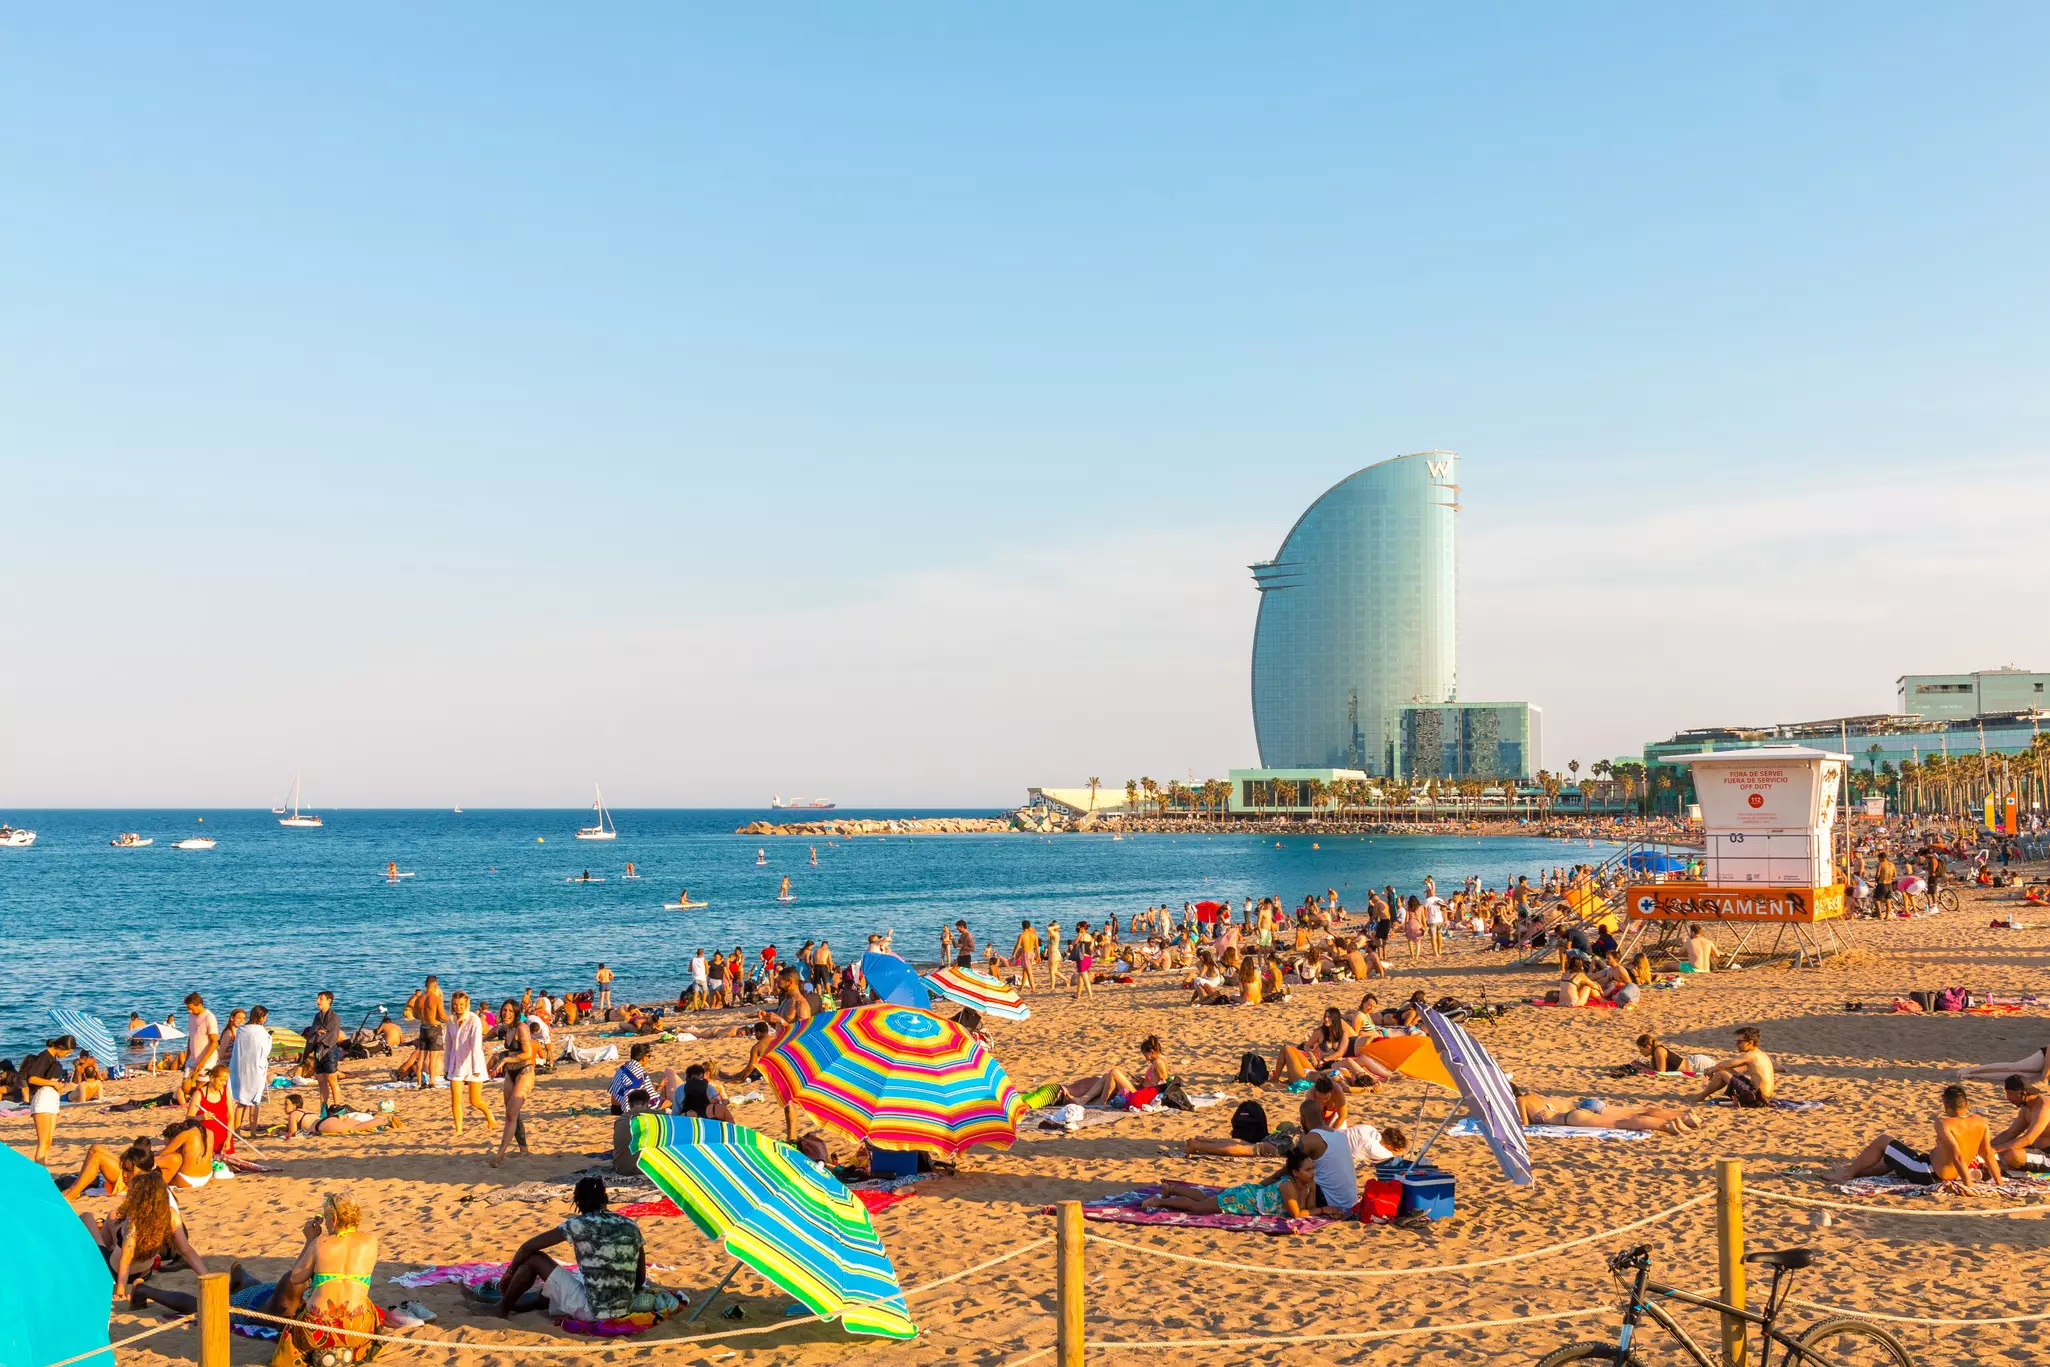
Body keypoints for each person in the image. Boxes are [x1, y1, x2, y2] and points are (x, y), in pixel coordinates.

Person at [476, 1175, 648, 1323]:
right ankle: (522, 1303)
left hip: (593, 1311)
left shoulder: (579, 1224)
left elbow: (528, 1246)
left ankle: (502, 1307)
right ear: (605, 1199)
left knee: (535, 1259)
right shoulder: (631, 1225)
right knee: (573, 1278)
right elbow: (640, 1279)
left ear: (578, 1202)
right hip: (624, 1308)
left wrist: (510, 1272)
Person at [270, 1192, 383, 1366]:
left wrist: (310, 1240)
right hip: (357, 1329)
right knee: (369, 1305)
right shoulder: (371, 1242)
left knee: (296, 1322)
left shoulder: (320, 1243)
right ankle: (349, 1350)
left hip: (317, 1329)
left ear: (335, 1218)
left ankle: (317, 1353)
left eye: (326, 1217)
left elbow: (295, 1278)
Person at [1830, 1083, 2002, 1188]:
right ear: (1967, 1104)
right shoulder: (1981, 1121)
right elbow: (1987, 1153)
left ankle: (1848, 1173)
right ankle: (1854, 1171)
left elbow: (1957, 1156)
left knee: (1884, 1141)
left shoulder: (1944, 1123)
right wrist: (1999, 1183)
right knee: (1889, 1161)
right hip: (1949, 1173)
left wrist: (1969, 1187)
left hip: (1929, 1173)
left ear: (1946, 1104)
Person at [89, 1166, 209, 1299]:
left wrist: (120, 1291)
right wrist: (206, 1275)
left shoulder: (134, 1220)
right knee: (114, 1224)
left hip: (116, 1273)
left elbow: (126, 1258)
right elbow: (186, 1250)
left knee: (88, 1217)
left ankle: (105, 1248)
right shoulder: (170, 1215)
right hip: (144, 1274)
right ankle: (110, 1246)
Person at [1140, 1146, 1343, 1221]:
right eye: (1308, 1170)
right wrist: (1325, 1210)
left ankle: (1172, 1189)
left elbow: (1309, 1209)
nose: (1312, 1173)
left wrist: (1320, 1204)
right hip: (1243, 1199)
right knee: (1198, 1207)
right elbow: (1297, 1214)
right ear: (1296, 1172)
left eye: (1312, 1169)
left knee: (1208, 1198)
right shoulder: (1288, 1185)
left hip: (1249, 1194)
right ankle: (1159, 1202)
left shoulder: (1308, 1184)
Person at [491, 1005, 539, 1166]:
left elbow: (527, 1053)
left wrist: (504, 1060)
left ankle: (500, 1153)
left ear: (516, 1013)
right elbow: (488, 1035)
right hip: (510, 1074)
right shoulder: (506, 1028)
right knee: (512, 1114)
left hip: (524, 1072)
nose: (506, 1013)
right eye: (504, 1010)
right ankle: (523, 1149)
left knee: (511, 1115)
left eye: (510, 1011)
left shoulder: (521, 1028)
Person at [445, 990, 495, 1139]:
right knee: (455, 1098)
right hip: (456, 1064)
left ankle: (488, 1114)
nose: (457, 1007)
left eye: (460, 1004)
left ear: (466, 1004)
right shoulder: (451, 1020)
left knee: (474, 1101)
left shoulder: (474, 1020)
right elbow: (448, 1045)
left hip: (474, 1063)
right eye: (455, 1005)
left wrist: (475, 1069)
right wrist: (446, 1067)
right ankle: (458, 1129)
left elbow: (476, 1046)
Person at [1694, 1027, 1775, 1106]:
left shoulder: (1750, 1055)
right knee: (1723, 1070)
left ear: (1750, 1043)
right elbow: (1734, 1068)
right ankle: (1703, 1095)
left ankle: (1700, 1097)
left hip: (1757, 1097)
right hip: (1765, 1097)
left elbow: (1722, 1065)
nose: (1736, 1044)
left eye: (1739, 1042)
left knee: (1721, 1072)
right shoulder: (1761, 1054)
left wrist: (1711, 1070)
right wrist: (1715, 1070)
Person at [22, 1033, 70, 1164]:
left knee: (48, 1141)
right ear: (60, 1047)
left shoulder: (53, 1059)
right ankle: (40, 1174)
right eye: (67, 1052)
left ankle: (44, 1169)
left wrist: (57, 1085)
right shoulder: (44, 1056)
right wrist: (53, 1083)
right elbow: (32, 1078)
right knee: (43, 1142)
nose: (68, 1055)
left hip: (51, 1099)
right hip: (43, 1099)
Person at [1989, 1075, 2050, 1171]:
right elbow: (2010, 1133)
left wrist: (1994, 1150)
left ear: (2023, 1094)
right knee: (2002, 1149)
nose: (2007, 1098)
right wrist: (1987, 1147)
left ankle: (2010, 1167)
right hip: (2037, 1151)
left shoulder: (2044, 1108)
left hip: (2048, 1155)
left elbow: (2028, 1139)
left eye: (2010, 1094)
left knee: (2012, 1155)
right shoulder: (2027, 1108)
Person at [277, 1093, 405, 1137]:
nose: (284, 1107)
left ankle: (385, 1121)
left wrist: (280, 1132)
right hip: (332, 1118)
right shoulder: (305, 1111)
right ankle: (384, 1121)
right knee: (360, 1125)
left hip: (323, 1125)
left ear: (295, 1106)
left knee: (355, 1129)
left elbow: (293, 1134)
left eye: (286, 1104)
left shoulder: (293, 1115)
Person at [230, 1005, 272, 1133]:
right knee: (255, 1100)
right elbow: (265, 1051)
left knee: (241, 1100)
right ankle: (253, 1132)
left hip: (240, 1067)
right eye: (265, 1017)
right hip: (256, 1068)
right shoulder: (261, 1031)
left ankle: (237, 1131)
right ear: (261, 1017)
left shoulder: (241, 1029)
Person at [307, 990, 347, 1114]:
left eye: (321, 999)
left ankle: (337, 1107)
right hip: (318, 1051)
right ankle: (323, 1109)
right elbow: (312, 1033)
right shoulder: (317, 1016)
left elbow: (332, 1036)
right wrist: (317, 1032)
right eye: (318, 998)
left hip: (329, 1051)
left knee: (332, 1080)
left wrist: (318, 1034)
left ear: (328, 1001)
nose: (317, 1001)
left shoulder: (334, 1017)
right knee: (321, 1081)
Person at [186, 1063, 238, 1156]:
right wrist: (201, 1117)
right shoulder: (199, 1094)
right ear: (212, 1078)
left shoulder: (225, 1091)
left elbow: (230, 1116)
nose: (224, 1083)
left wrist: (229, 1138)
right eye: (221, 1080)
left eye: (225, 1081)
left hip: (223, 1137)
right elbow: (188, 1119)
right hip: (205, 1139)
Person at [613, 1090, 657, 1174]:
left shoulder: (620, 1120)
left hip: (622, 1169)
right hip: (647, 1170)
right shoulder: (658, 1116)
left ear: (629, 1104)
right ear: (647, 1102)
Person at [184, 993, 222, 1082]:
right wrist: (187, 1055)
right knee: (185, 1087)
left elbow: (214, 1042)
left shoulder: (209, 1017)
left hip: (207, 1060)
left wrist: (203, 1061)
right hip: (192, 1059)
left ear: (200, 1005)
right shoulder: (191, 1016)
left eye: (192, 1009)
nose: (190, 1011)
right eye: (188, 1009)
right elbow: (191, 1037)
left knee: (199, 1089)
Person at [610, 1043, 654, 1115]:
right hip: (628, 1108)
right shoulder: (641, 1074)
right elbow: (652, 1098)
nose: (649, 1059)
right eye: (648, 1056)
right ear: (643, 1058)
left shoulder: (622, 1068)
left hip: (614, 1108)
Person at [1012, 919, 1040, 992]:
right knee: (1025, 971)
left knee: (1029, 972)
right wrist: (1038, 956)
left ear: (1022, 927)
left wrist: (1013, 955)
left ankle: (1033, 988)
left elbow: (1017, 946)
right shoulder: (1034, 935)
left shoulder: (1021, 935)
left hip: (1025, 954)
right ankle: (1021, 988)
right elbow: (1037, 947)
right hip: (1032, 954)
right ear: (1029, 926)